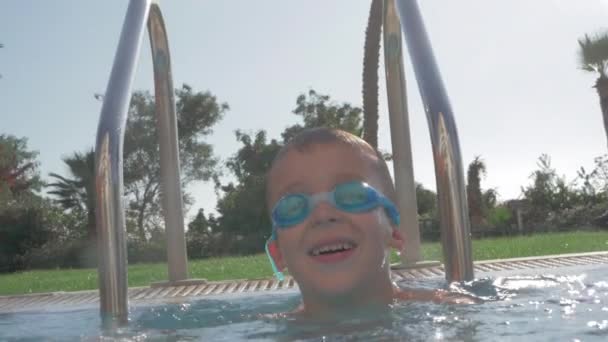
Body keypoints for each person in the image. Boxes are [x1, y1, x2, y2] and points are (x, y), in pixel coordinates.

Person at [264, 127, 478, 318]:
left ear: (394, 232)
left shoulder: (451, 310)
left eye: (353, 195)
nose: (323, 215)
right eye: (292, 207)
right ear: (277, 253)